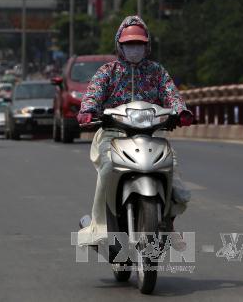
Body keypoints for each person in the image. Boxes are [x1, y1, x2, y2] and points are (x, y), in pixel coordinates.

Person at [76, 16, 194, 247]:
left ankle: (167, 221)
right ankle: (100, 227)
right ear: (119, 45)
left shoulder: (156, 71)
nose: (134, 48)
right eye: (129, 44)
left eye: (139, 43)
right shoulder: (108, 71)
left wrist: (181, 111)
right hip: (113, 135)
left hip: (152, 134)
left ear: (147, 45)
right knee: (108, 169)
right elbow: (93, 93)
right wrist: (88, 110)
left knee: (173, 172)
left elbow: (171, 94)